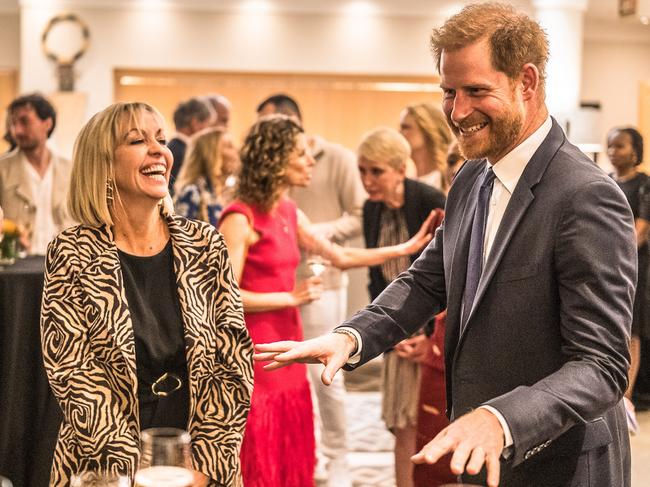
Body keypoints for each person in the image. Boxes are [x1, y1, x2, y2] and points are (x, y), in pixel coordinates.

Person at [254, 4, 636, 487]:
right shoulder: (472, 177)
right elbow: (427, 279)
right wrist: (351, 337)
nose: (457, 112)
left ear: (527, 82)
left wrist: (500, 420)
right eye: (448, 92)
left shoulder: (585, 195)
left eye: (476, 91)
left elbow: (600, 365)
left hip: (561, 462)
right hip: (477, 448)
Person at [40, 102, 253, 486]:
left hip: (201, 458)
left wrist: (200, 470)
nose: (159, 151)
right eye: (138, 140)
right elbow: (74, 374)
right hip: (105, 463)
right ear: (102, 164)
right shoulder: (72, 252)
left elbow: (232, 362)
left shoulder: (205, 244)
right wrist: (138, 474)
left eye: (162, 139)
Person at [219, 115, 435, 487]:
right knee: (260, 443)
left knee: (292, 433)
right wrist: (289, 296)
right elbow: (223, 294)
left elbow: (339, 256)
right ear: (275, 159)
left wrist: (405, 248)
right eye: (302, 154)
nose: (311, 162)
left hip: (289, 337)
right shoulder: (239, 218)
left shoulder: (288, 210)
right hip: (254, 346)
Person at [256, 93, 366, 487]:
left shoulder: (334, 158)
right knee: (286, 381)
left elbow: (358, 215)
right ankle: (309, 453)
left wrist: (315, 234)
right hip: (279, 288)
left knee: (327, 373)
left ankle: (338, 458)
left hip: (321, 281)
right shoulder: (265, 189)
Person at [357, 127, 448, 487]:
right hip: (395, 331)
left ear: (400, 169)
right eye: (362, 170)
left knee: (425, 419)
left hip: (431, 333)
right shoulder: (371, 208)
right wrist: (385, 334)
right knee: (399, 420)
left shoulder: (431, 200)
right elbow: (376, 277)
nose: (367, 180)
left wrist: (428, 336)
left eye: (376, 171)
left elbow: (446, 281)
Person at [607, 126, 650, 434]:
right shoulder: (605, 183)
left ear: (634, 150)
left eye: (619, 146)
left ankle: (627, 397)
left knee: (631, 329)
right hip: (607, 265)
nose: (612, 152)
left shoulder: (644, 185)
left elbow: (640, 229)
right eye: (609, 146)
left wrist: (617, 255)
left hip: (634, 268)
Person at [0, 93, 75, 255]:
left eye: (25, 122)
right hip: (16, 267)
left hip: (64, 265)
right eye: (13, 123)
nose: (17, 130)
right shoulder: (2, 169)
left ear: (47, 123)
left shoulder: (71, 170)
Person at [174, 127, 239, 226]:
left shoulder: (227, 193)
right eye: (229, 146)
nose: (236, 151)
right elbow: (180, 238)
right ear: (212, 155)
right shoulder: (192, 192)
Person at [399, 102, 453, 192]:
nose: (399, 133)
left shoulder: (448, 180)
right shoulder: (404, 181)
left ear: (427, 130)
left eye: (405, 127)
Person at [167, 97, 214, 193]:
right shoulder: (187, 154)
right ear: (195, 123)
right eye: (208, 125)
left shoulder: (169, 149)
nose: (210, 133)